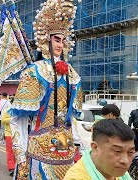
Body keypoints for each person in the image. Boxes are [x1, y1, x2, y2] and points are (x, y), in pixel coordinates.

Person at [6, 0, 83, 179]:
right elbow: (18, 120)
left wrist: (81, 149)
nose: (60, 44)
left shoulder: (74, 75)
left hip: (67, 151)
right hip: (39, 151)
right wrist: (20, 155)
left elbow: (72, 119)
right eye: (57, 39)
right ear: (46, 39)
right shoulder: (35, 72)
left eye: (63, 40)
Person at [64, 119, 135, 180]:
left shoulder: (117, 172)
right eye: (117, 151)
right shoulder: (76, 177)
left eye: (130, 152)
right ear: (95, 147)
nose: (125, 161)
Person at [1, 104, 16, 176]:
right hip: (9, 134)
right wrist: (11, 119)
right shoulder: (7, 110)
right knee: (10, 152)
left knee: (17, 151)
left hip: (18, 135)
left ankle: (17, 166)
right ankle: (11, 168)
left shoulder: (20, 111)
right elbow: (3, 121)